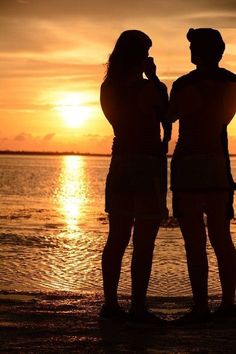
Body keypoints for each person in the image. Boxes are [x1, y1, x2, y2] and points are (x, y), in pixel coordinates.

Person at [100, 30, 171, 322]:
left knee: (116, 237)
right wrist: (154, 78)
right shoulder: (149, 88)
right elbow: (167, 117)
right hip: (146, 165)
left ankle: (111, 304)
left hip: (120, 164)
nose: (148, 57)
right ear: (139, 56)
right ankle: (138, 307)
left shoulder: (108, 88)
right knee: (143, 242)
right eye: (146, 52)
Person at [169, 28, 236, 323]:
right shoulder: (232, 82)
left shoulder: (183, 84)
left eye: (193, 46)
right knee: (221, 239)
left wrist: (154, 82)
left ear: (200, 51)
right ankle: (227, 305)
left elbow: (167, 116)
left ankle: (201, 307)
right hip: (216, 167)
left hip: (189, 167)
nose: (190, 51)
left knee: (195, 242)